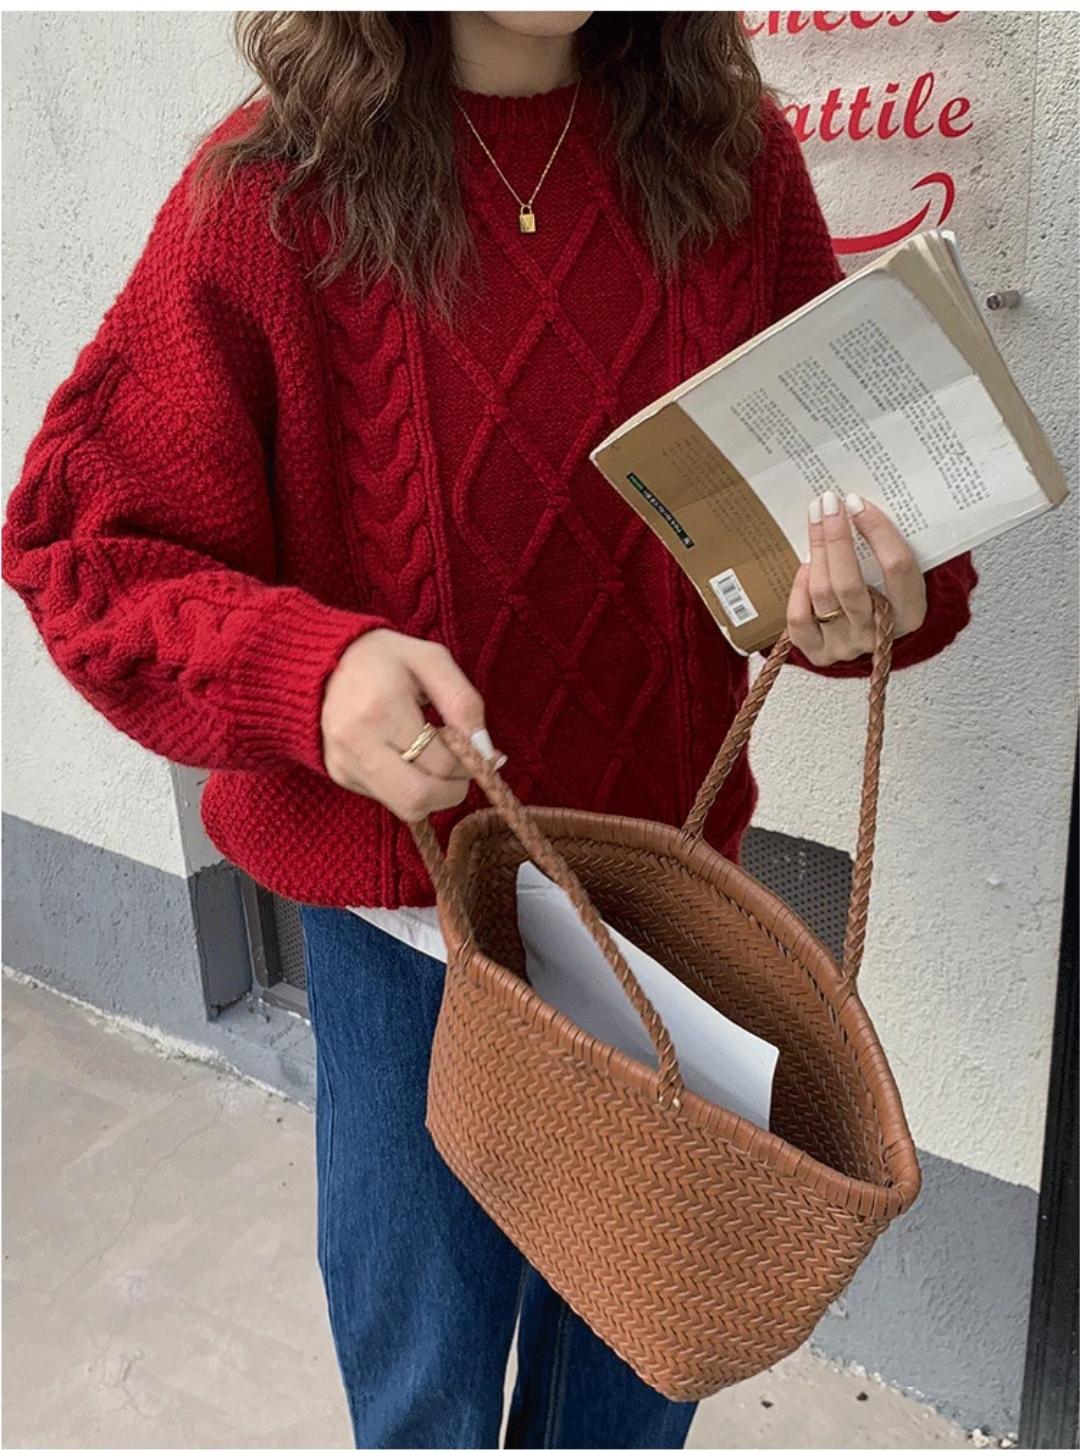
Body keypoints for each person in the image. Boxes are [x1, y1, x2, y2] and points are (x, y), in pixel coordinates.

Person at [2, 11, 978, 1449]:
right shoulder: (272, 196)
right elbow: (85, 546)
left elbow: (844, 511)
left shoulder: (730, 163)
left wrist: (863, 597)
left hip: (663, 914)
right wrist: (310, 674)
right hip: (411, 941)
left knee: (636, 1386)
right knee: (429, 1397)